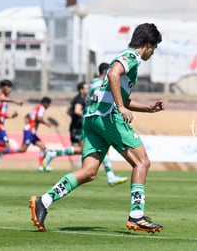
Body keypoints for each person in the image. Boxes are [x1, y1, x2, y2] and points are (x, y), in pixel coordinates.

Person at [29, 23, 164, 233]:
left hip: (93, 118)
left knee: (88, 172)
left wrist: (148, 108)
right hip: (108, 116)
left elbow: (124, 98)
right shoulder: (131, 56)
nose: (153, 53)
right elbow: (113, 75)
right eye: (154, 48)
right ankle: (136, 215)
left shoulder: (128, 60)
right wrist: (119, 107)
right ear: (147, 44)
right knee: (142, 162)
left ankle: (43, 201)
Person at [44, 69, 128, 186]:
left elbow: (70, 109)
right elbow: (77, 109)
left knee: (95, 149)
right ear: (105, 71)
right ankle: (53, 154)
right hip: (92, 120)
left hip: (88, 121)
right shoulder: (97, 85)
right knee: (86, 149)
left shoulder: (92, 86)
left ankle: (110, 176)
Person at [16, 96, 54, 172]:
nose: (48, 106)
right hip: (29, 131)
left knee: (43, 147)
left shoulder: (36, 107)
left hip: (31, 131)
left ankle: (42, 166)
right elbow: (39, 118)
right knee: (23, 149)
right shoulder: (42, 108)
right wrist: (47, 124)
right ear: (45, 103)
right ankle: (6, 151)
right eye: (49, 104)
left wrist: (27, 122)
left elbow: (27, 115)